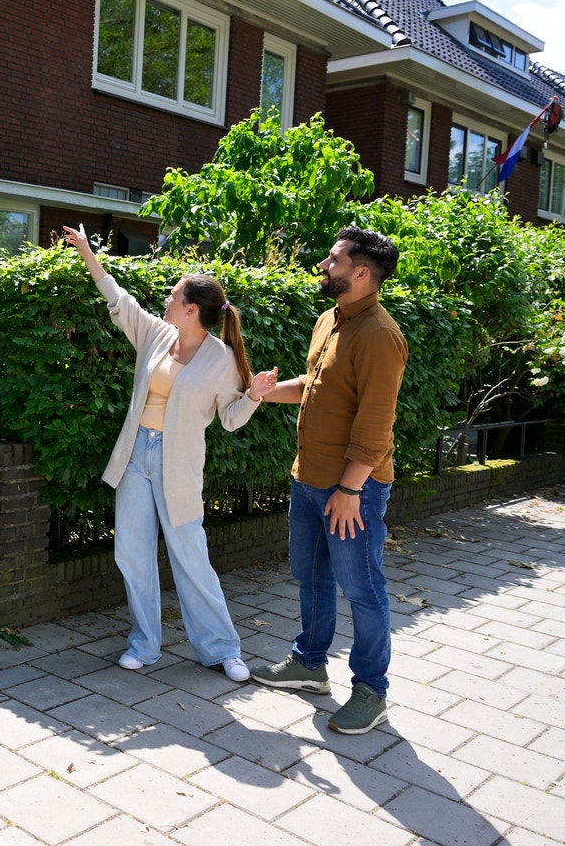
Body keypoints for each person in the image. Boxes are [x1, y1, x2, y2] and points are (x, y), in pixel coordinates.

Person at [62, 224, 278, 681]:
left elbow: (230, 419)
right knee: (132, 552)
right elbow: (118, 300)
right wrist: (86, 251)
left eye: (174, 295)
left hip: (178, 465)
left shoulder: (221, 359)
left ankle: (222, 649)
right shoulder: (157, 335)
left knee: (190, 556)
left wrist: (254, 396)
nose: (166, 298)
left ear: (192, 309)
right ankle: (144, 644)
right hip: (136, 454)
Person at [251, 225, 408, 734]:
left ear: (361, 273)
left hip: (350, 490)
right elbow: (315, 389)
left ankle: (371, 690)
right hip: (309, 479)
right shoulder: (329, 320)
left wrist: (350, 490)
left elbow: (375, 423)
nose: (323, 264)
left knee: (362, 587)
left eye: (333, 259)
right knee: (311, 573)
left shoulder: (380, 336)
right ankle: (310, 663)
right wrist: (262, 393)